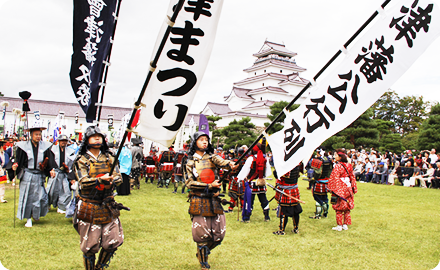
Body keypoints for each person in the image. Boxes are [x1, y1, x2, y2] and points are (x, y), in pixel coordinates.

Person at [73, 125, 125, 270]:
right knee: (90, 245)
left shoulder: (109, 158)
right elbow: (83, 181)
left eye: (100, 136)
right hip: (90, 205)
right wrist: (100, 180)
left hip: (108, 205)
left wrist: (111, 181)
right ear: (87, 139)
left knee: (113, 241)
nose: (97, 138)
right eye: (93, 135)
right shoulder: (82, 160)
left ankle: (100, 267)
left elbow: (118, 177)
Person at [185, 131, 236, 270]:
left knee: (218, 234)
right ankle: (203, 263)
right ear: (195, 142)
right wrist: (208, 185)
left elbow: (223, 163)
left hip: (214, 199)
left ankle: (202, 252)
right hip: (198, 199)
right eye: (201, 139)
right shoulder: (190, 162)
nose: (205, 142)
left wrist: (230, 164)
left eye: (206, 139)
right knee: (202, 234)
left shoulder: (212, 157)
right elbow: (189, 183)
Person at [12, 125, 52, 228]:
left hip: (39, 175)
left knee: (41, 196)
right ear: (31, 135)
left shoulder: (45, 146)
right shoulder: (23, 146)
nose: (38, 136)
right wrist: (15, 166)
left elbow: (50, 160)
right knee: (28, 197)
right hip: (27, 175)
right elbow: (18, 160)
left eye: (39, 134)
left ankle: (36, 214)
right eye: (36, 134)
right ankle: (28, 218)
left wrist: (51, 169)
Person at [236, 140, 272, 222]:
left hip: (251, 183)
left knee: (249, 200)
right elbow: (268, 172)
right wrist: (262, 177)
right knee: (263, 199)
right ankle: (267, 217)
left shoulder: (251, 159)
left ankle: (247, 218)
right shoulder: (265, 158)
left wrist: (239, 178)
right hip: (261, 182)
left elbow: (245, 170)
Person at [327, 149, 357, 231]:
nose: (335, 157)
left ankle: (339, 226)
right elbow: (352, 177)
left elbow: (334, 178)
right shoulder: (349, 165)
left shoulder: (338, 166)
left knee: (339, 208)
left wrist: (332, 188)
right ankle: (345, 225)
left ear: (340, 157)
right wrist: (353, 187)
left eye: (336, 155)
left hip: (340, 188)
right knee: (347, 208)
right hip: (348, 187)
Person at [46, 134, 76, 214]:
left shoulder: (70, 151)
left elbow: (72, 164)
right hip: (55, 172)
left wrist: (70, 174)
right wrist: (51, 169)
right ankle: (47, 204)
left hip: (65, 173)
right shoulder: (52, 149)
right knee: (51, 190)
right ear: (59, 141)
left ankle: (62, 206)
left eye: (65, 141)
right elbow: (49, 160)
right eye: (62, 141)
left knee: (66, 191)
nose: (63, 142)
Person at [273, 163, 303, 235]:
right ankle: (296, 228)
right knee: (295, 208)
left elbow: (278, 174)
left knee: (283, 210)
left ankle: (281, 230)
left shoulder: (287, 164)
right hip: (294, 189)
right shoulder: (298, 162)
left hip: (286, 190)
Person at [309, 149, 333, 219]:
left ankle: (318, 215)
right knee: (324, 197)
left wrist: (314, 179)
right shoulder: (328, 160)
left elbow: (318, 172)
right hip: (326, 181)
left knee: (317, 198)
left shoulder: (318, 160)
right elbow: (330, 171)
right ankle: (325, 213)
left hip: (319, 181)